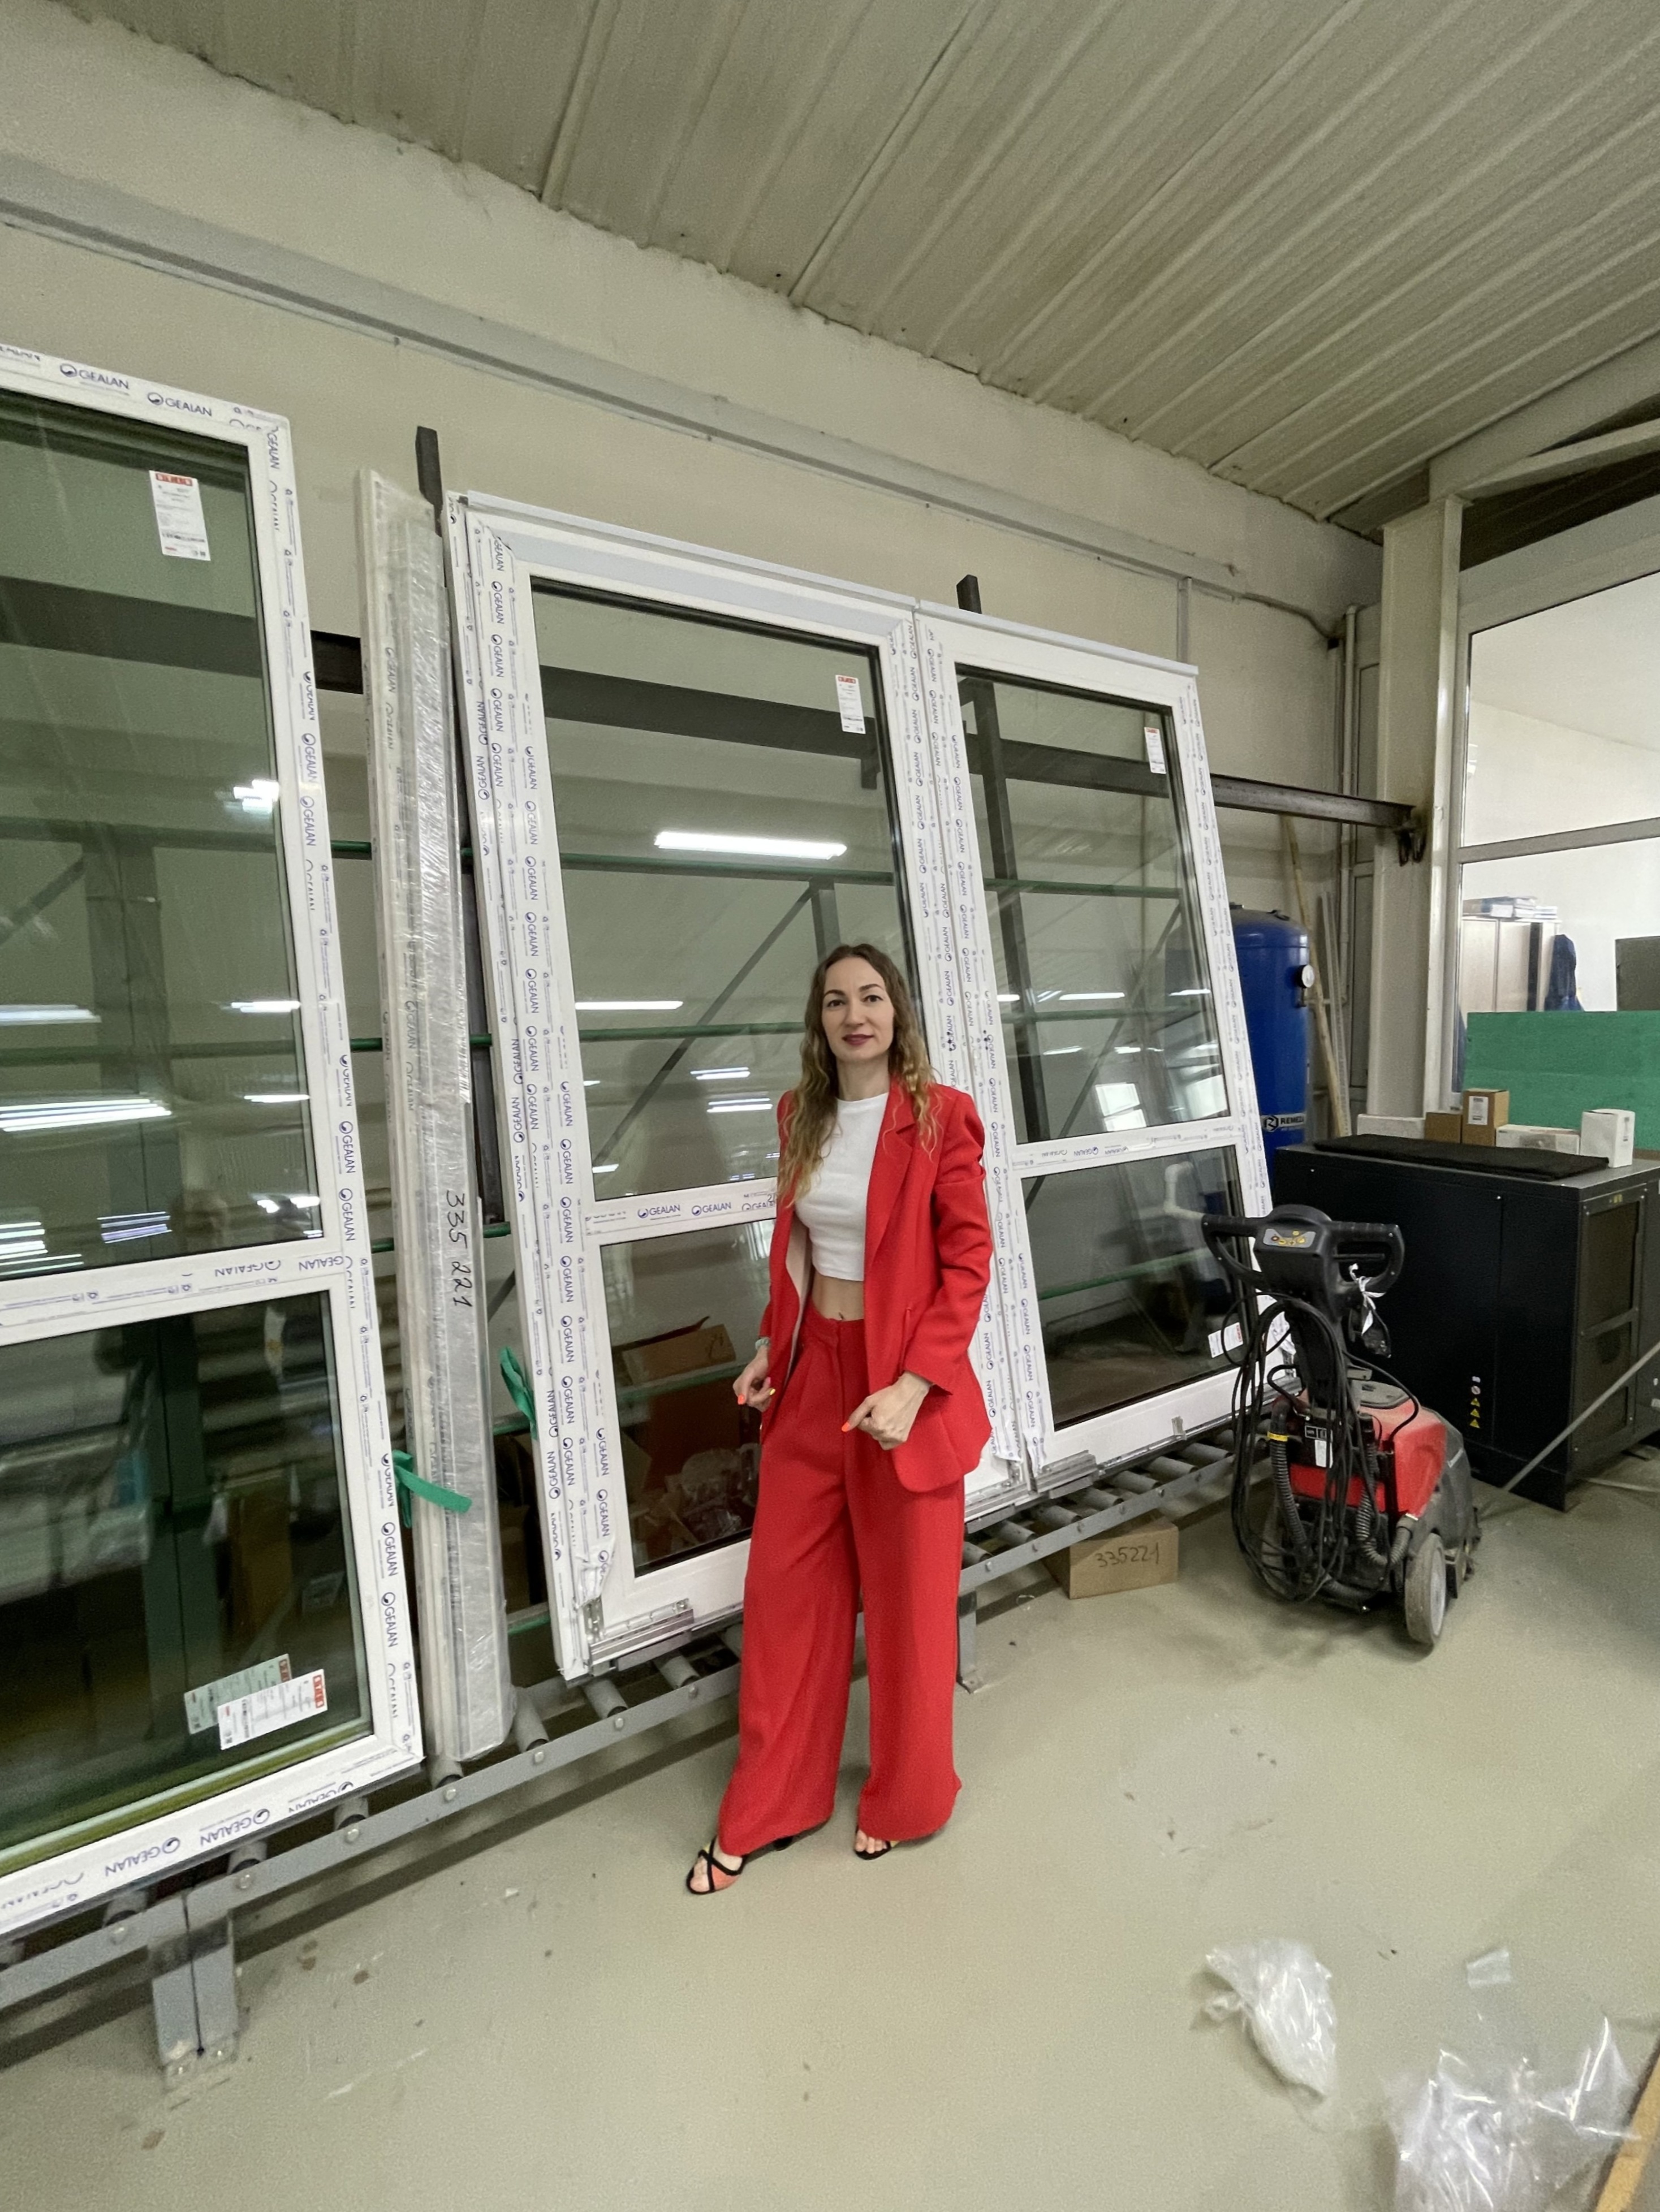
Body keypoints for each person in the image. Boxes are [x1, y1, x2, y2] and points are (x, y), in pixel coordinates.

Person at [685, 943, 993, 1894]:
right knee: (786, 1597)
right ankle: (773, 1802)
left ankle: (907, 1799)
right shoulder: (800, 1117)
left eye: (870, 997)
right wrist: (768, 1349)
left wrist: (916, 1385)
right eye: (835, 1002)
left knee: (909, 1610)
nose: (855, 1016)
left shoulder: (944, 1119)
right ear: (818, 1022)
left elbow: (968, 1264)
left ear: (896, 1011)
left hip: (901, 1387)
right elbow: (798, 1255)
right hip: (814, 1372)